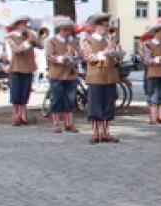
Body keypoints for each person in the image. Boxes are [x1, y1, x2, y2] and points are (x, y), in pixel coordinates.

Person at [79, 14, 122, 143]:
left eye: (106, 25)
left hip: (110, 76)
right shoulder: (87, 41)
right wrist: (105, 52)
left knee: (109, 105)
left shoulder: (109, 40)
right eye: (102, 25)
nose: (105, 28)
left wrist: (116, 51)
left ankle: (106, 132)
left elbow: (117, 58)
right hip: (96, 77)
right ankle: (96, 133)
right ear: (95, 27)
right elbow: (89, 57)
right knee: (95, 106)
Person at [44, 17, 80, 132]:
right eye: (65, 30)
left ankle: (69, 123)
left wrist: (74, 56)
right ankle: (56, 124)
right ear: (60, 30)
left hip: (70, 74)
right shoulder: (51, 41)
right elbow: (50, 56)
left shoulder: (74, 41)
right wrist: (66, 56)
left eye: (69, 30)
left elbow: (79, 55)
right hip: (56, 75)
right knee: (56, 99)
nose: (67, 32)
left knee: (70, 99)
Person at [4, 15, 38, 125]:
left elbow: (41, 46)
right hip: (16, 68)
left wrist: (34, 38)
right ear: (18, 25)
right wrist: (28, 41)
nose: (25, 26)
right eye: (23, 24)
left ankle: (23, 116)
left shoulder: (30, 35)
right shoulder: (10, 37)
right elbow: (17, 50)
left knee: (25, 94)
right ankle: (16, 116)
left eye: (26, 24)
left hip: (29, 67)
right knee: (16, 94)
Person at [141, 22, 161, 125]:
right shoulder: (148, 44)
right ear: (155, 33)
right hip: (153, 74)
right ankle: (153, 117)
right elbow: (146, 60)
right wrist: (160, 58)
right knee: (153, 96)